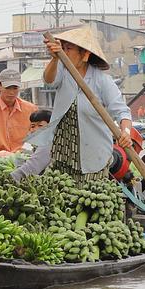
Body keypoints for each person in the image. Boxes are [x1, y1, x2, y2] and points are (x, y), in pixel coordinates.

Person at [30, 27, 132, 186]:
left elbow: (121, 111)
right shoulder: (62, 70)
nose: (64, 52)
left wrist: (125, 131)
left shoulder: (101, 80)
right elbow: (49, 80)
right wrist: (55, 58)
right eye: (62, 48)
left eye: (68, 49)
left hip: (93, 153)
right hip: (62, 151)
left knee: (89, 197)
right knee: (60, 195)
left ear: (84, 55)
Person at [0, 68, 37, 157]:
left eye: (15, 88)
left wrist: (23, 154)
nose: (11, 92)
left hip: (24, 159)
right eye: (8, 88)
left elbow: (35, 138)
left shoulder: (31, 109)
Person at [11, 109, 52, 182]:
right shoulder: (31, 143)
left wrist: (10, 179)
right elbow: (21, 158)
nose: (35, 129)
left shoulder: (48, 143)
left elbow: (33, 166)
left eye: (40, 125)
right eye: (33, 126)